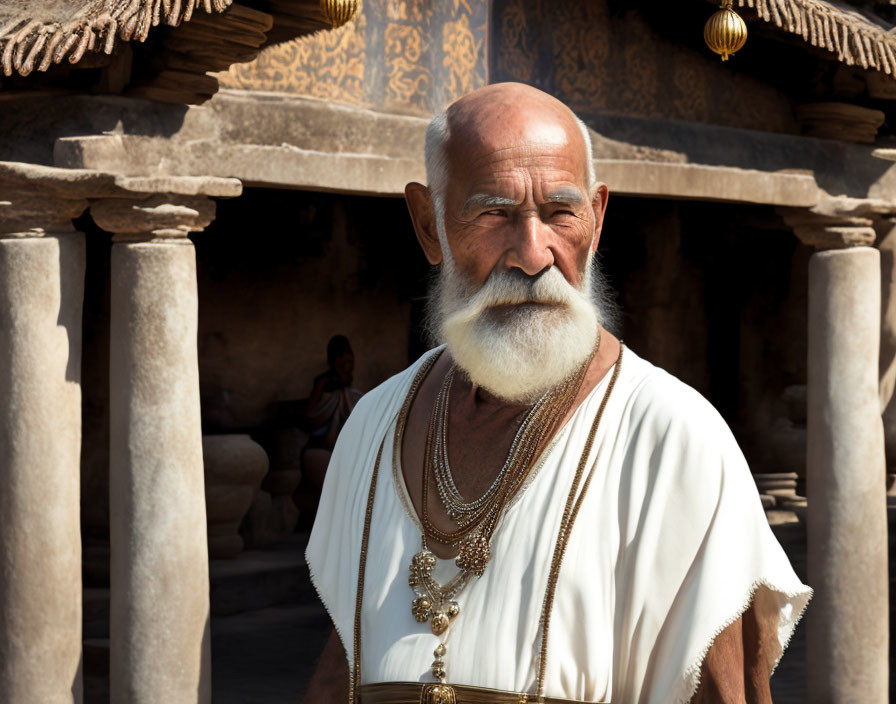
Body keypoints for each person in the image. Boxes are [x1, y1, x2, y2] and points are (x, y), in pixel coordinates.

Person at [301, 83, 811, 704]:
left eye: (560, 213)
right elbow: (343, 664)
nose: (532, 253)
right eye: (493, 213)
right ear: (428, 225)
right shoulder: (372, 426)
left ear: (595, 221)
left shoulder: (672, 437)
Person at [302, 335, 362, 490]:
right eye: (342, 362)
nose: (347, 366)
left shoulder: (352, 395)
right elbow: (310, 414)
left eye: (350, 361)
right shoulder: (323, 384)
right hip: (322, 447)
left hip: (344, 451)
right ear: (333, 362)